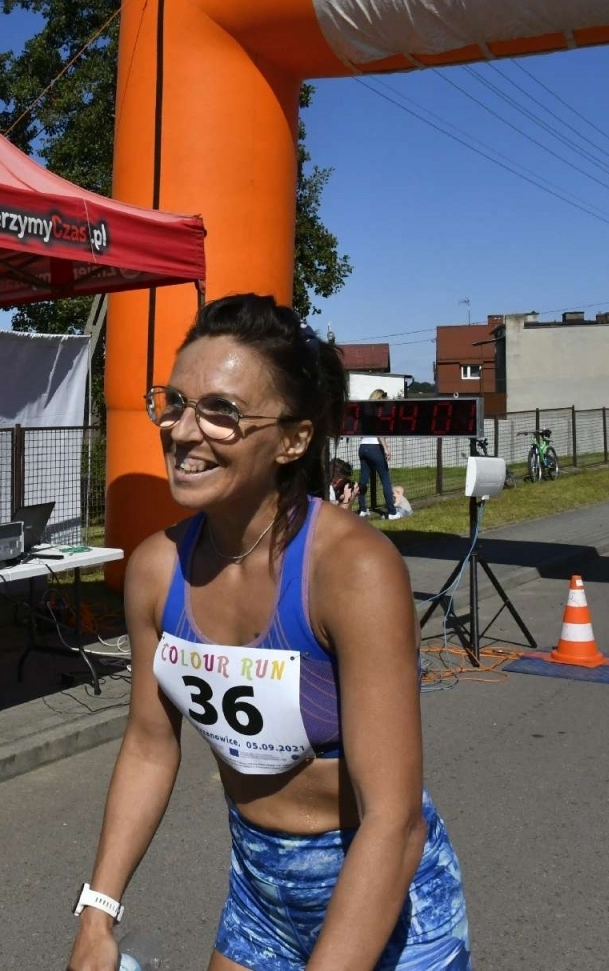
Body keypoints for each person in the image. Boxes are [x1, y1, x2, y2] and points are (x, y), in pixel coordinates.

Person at [70, 295, 468, 971]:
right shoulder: (153, 571)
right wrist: (97, 911)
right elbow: (147, 745)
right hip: (259, 892)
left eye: (221, 412)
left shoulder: (352, 571)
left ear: (292, 440)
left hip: (385, 899)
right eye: (174, 402)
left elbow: (393, 823)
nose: (184, 431)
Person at [358, 391, 406, 521]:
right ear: (380, 398)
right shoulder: (377, 413)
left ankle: (362, 509)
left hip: (363, 447)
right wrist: (386, 448)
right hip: (375, 447)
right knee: (385, 479)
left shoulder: (364, 412)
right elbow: (380, 433)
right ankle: (392, 512)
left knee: (363, 480)